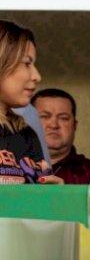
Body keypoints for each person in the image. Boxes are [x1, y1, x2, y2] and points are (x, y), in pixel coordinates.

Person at [0, 20, 62, 184]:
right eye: (27, 63)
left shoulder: (25, 134)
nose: (36, 76)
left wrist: (54, 194)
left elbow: (36, 205)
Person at [31, 88, 90, 184]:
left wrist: (65, 196)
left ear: (74, 125)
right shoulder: (13, 169)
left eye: (63, 118)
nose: (54, 125)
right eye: (45, 116)